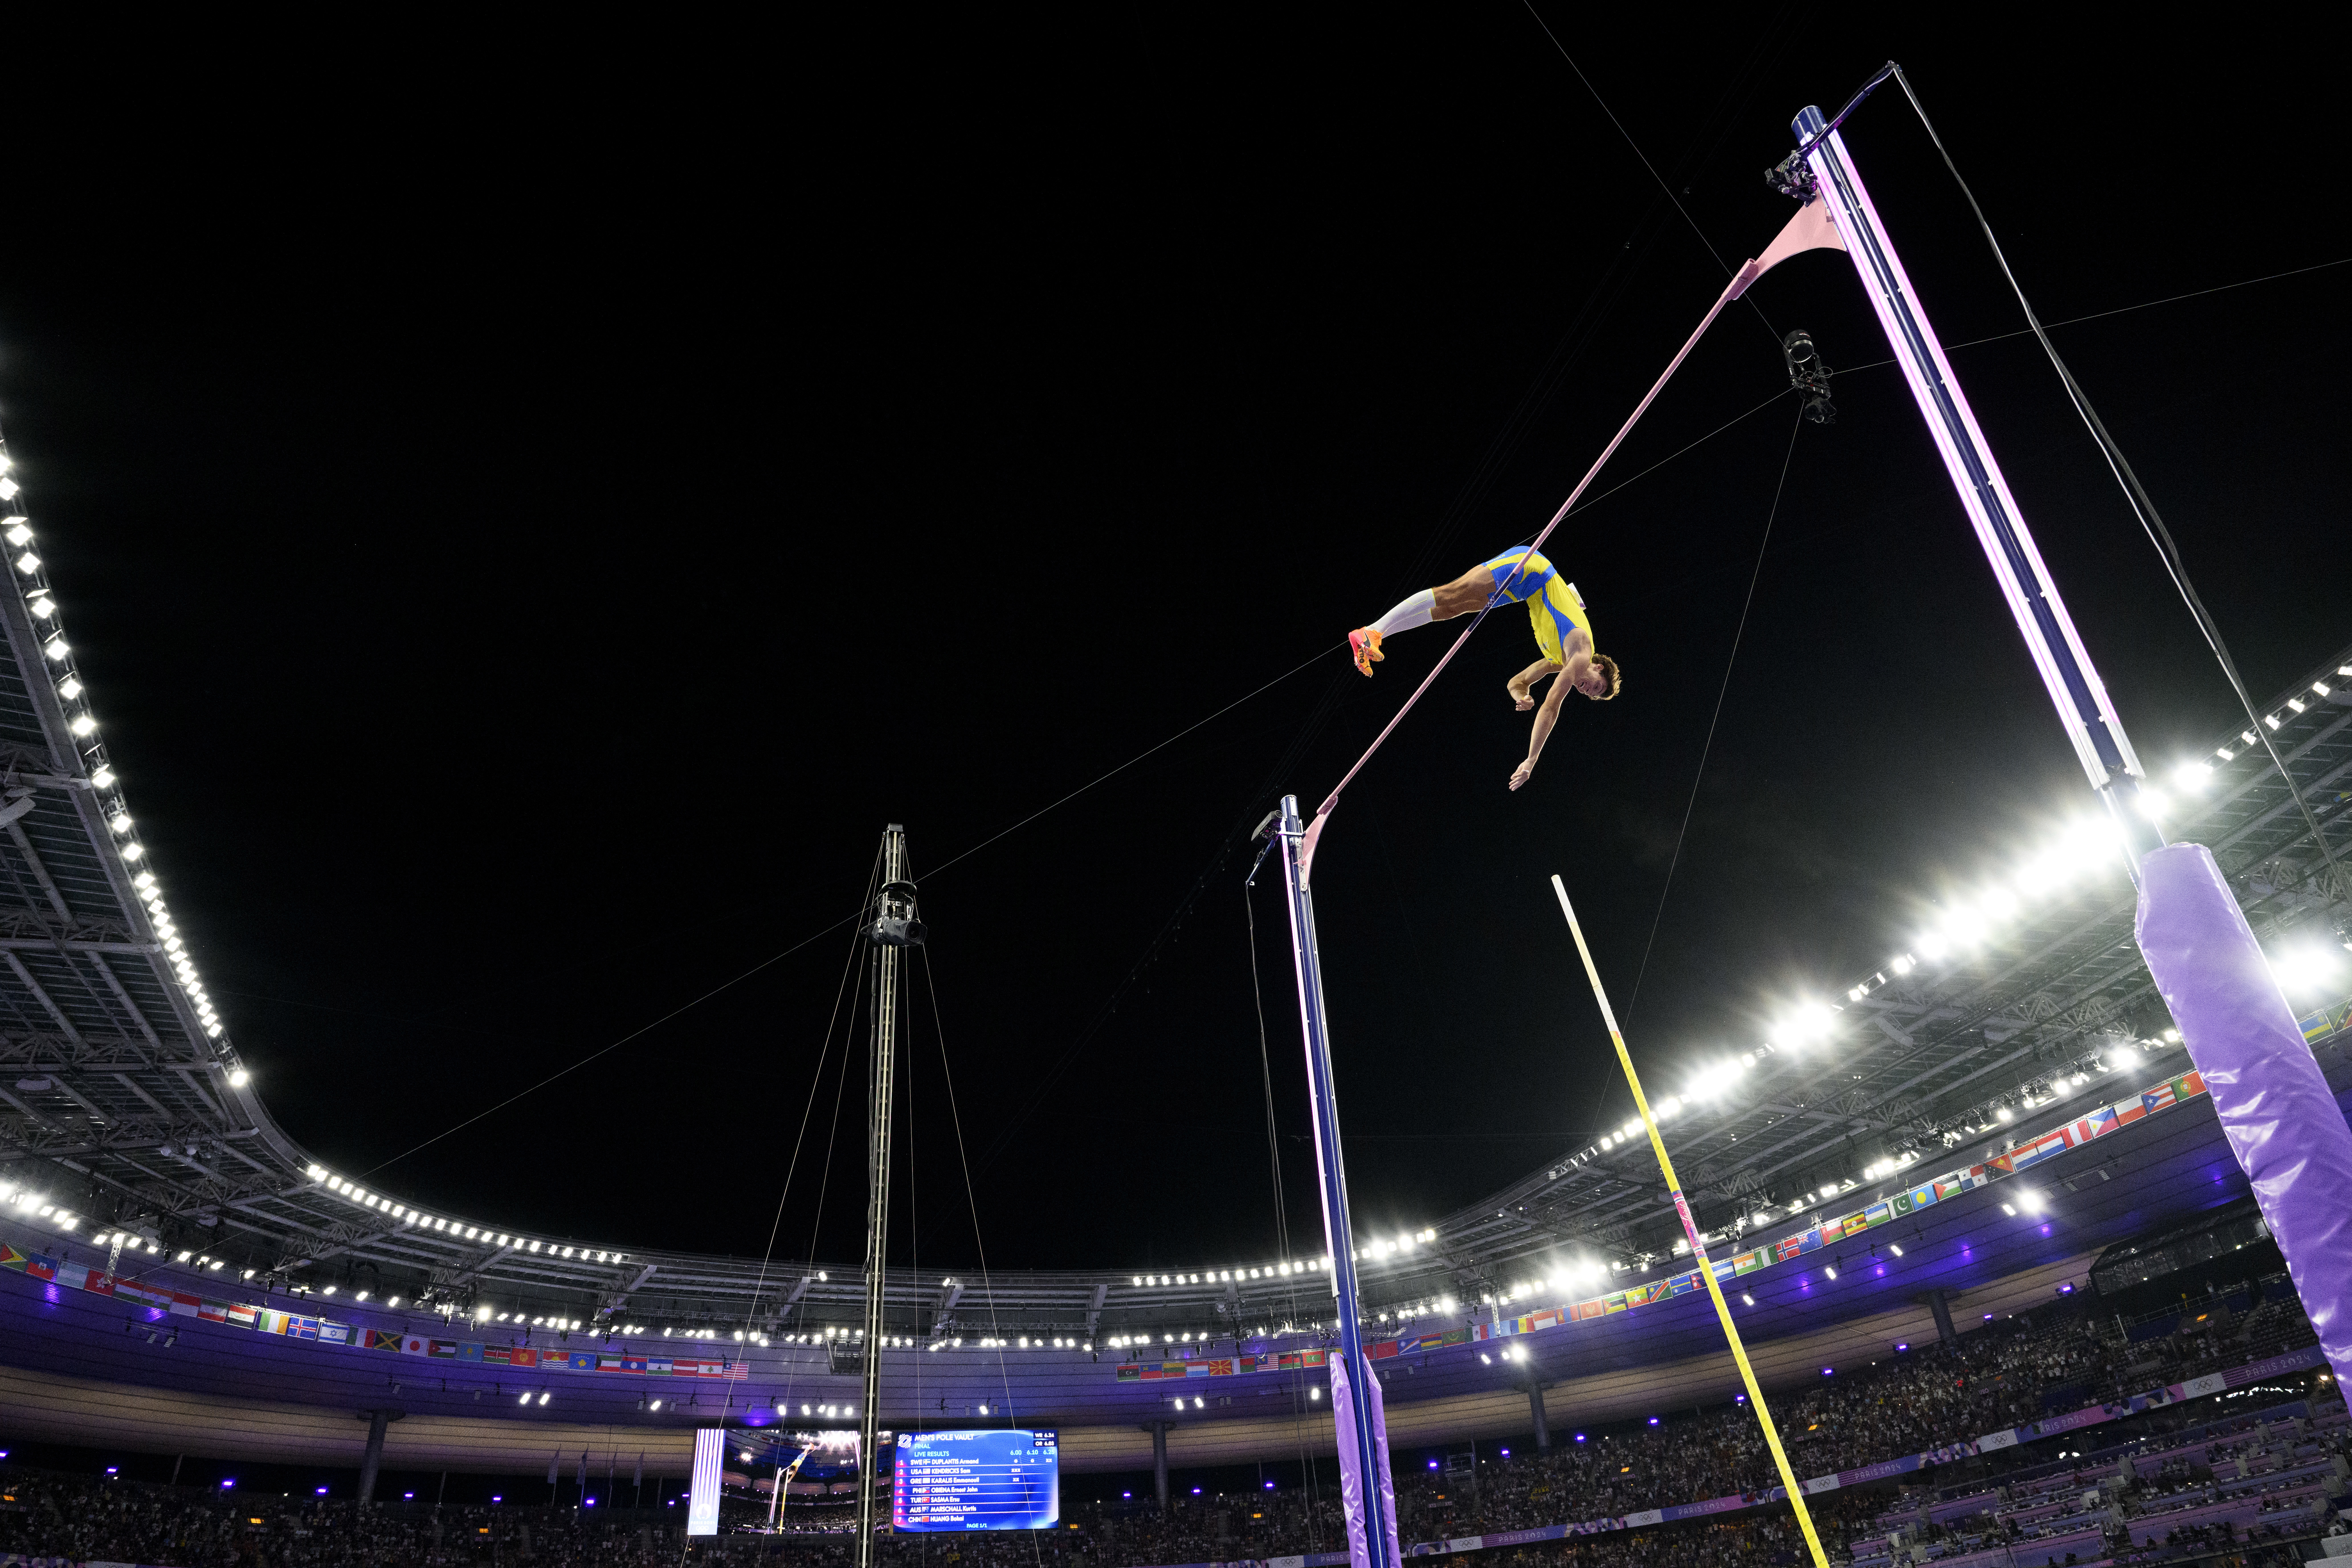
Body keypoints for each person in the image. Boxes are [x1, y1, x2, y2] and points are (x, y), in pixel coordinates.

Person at [1349, 544, 1620, 791]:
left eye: (1591, 694)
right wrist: (1531, 759)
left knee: (1452, 609)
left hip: (1524, 591)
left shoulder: (1559, 661)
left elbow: (1517, 682)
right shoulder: (1581, 653)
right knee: (1453, 593)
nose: (1587, 691)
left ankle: (1373, 638)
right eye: (1596, 686)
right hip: (1534, 570)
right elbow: (1551, 706)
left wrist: (1522, 697)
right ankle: (1373, 631)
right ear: (1598, 667)